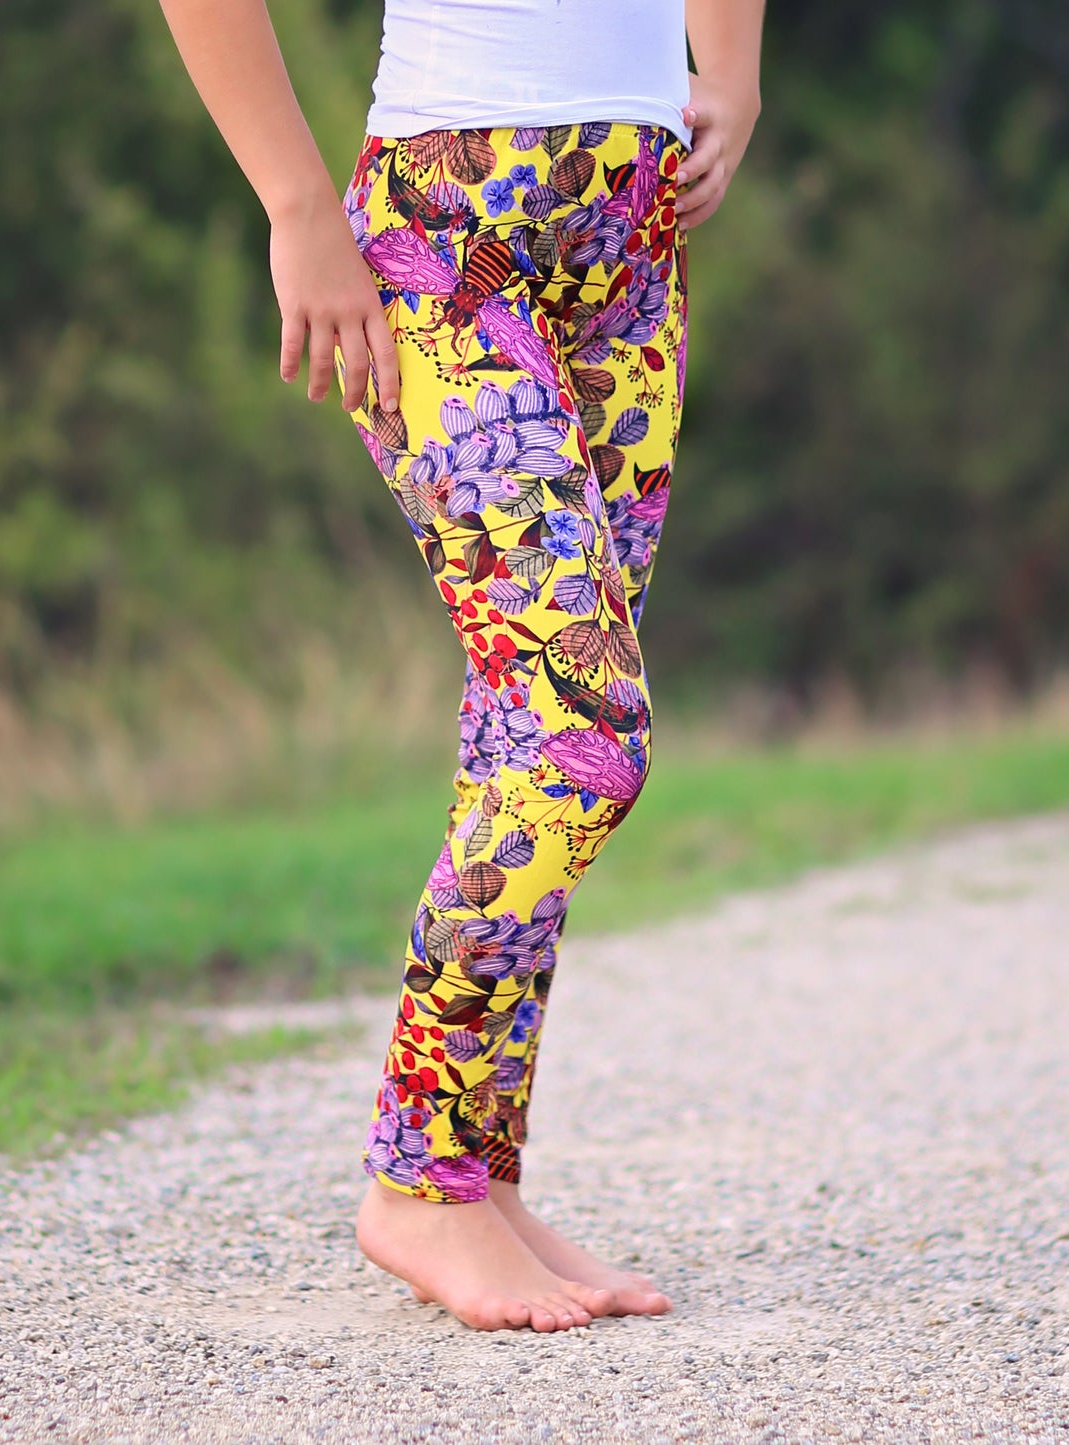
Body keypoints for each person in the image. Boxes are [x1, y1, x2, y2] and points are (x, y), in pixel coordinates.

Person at [157, 0, 765, 1333]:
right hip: (448, 230)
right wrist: (296, 206)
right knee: (578, 735)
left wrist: (733, 69)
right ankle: (416, 1177)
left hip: (632, 227)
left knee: (520, 729)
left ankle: (478, 1176)